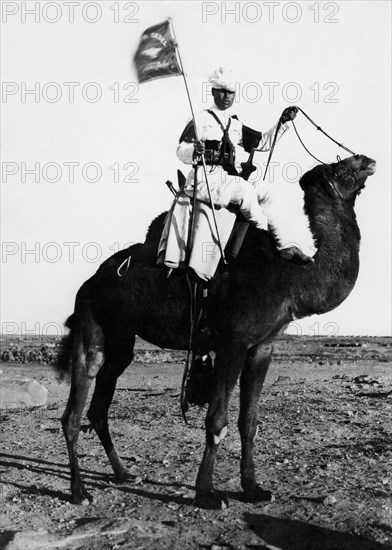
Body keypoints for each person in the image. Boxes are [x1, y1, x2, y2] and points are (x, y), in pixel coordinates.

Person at [177, 67, 299, 232]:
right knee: (245, 191)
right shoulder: (200, 118)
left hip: (228, 176)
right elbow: (181, 149)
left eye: (231, 92)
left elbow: (261, 143)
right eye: (222, 91)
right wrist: (194, 151)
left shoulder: (234, 124)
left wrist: (282, 122)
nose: (227, 96)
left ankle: (281, 240)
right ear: (213, 91)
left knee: (268, 191)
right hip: (204, 178)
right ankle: (264, 233)